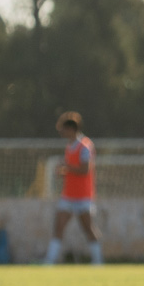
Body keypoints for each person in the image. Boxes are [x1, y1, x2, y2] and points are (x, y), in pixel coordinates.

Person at [45, 112, 102, 265]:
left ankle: (98, 261)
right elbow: (71, 169)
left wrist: (67, 167)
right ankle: (49, 261)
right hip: (68, 195)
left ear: (71, 129)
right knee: (59, 227)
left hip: (83, 196)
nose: (61, 132)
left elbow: (85, 169)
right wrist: (62, 171)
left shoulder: (85, 145)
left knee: (88, 228)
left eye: (63, 129)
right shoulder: (69, 146)